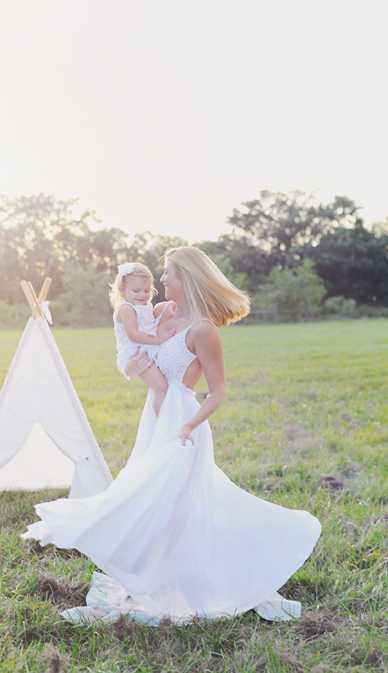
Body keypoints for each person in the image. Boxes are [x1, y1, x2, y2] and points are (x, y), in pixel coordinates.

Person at [23, 246, 321, 624]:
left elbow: (217, 392)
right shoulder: (161, 312)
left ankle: (187, 577)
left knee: (169, 500)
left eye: (168, 273)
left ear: (187, 279)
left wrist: (190, 424)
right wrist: (130, 369)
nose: (161, 280)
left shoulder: (204, 329)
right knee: (151, 496)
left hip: (184, 423)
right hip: (154, 417)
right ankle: (154, 575)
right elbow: (135, 353)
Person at [110, 261, 170, 415]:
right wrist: (158, 339)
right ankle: (162, 423)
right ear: (122, 289)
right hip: (135, 353)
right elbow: (134, 334)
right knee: (161, 387)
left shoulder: (146, 305)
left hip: (147, 347)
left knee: (167, 383)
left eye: (147, 290)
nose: (142, 295)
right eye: (136, 290)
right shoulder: (126, 309)